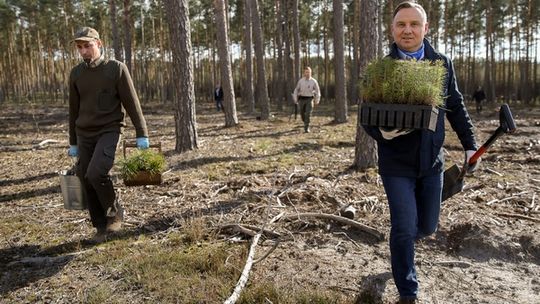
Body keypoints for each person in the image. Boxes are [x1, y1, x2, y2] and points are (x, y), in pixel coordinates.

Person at [361, 2, 480, 303]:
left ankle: (402, 248)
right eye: (401, 24)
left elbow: (456, 105)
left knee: (426, 226)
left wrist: (470, 144)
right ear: (392, 29)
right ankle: (408, 291)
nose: (408, 30)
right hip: (395, 163)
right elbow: (366, 115)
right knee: (403, 228)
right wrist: (381, 133)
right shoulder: (382, 68)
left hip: (431, 163)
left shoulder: (441, 63)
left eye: (415, 24)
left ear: (426, 29)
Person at [67, 27, 150, 243]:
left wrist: (142, 133)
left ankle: (115, 213)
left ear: (99, 44)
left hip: (109, 130)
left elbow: (132, 103)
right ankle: (100, 226)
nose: (84, 51)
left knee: (96, 173)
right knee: (85, 177)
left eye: (88, 46)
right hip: (84, 133)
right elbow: (73, 110)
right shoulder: (76, 74)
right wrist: (73, 142)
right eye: (80, 47)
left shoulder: (116, 69)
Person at [293, 67, 320, 133]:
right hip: (302, 99)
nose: (307, 74)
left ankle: (306, 127)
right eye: (306, 72)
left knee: (308, 113)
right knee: (302, 114)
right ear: (304, 73)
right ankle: (305, 121)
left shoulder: (314, 81)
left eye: (309, 72)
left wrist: (317, 100)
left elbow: (317, 91)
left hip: (309, 99)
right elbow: (296, 90)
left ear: (311, 73)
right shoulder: (301, 81)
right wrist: (295, 98)